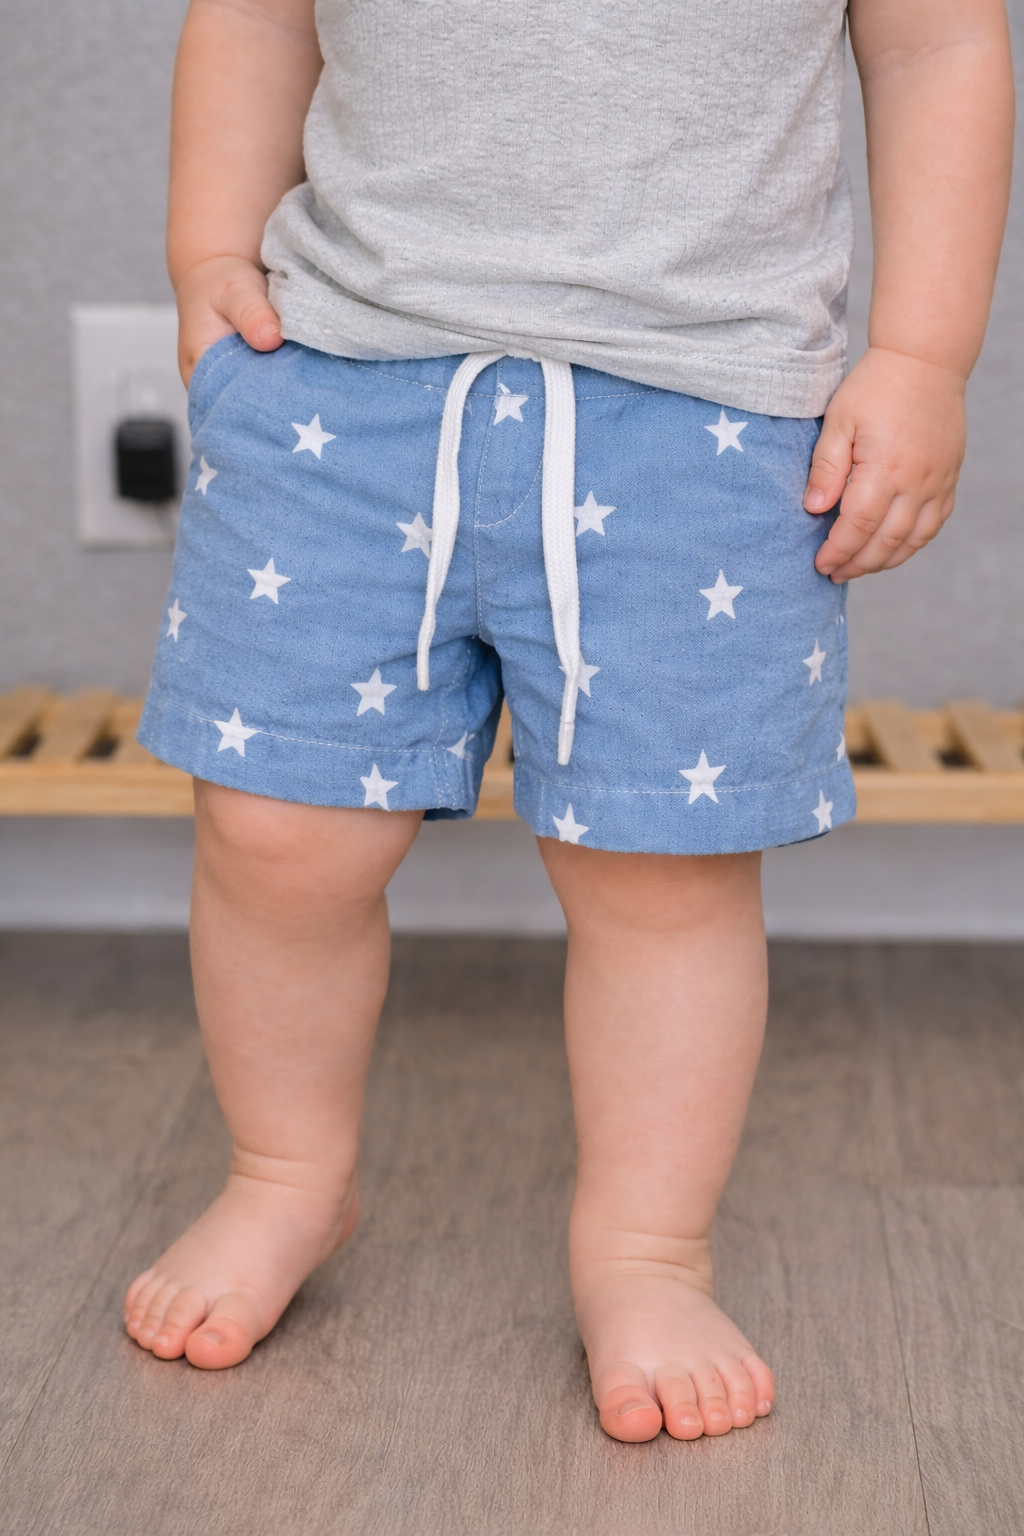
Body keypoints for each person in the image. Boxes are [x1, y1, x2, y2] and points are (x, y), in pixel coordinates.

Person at [126, 0, 1013, 1442]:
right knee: (275, 827)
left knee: (660, 869)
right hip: (342, 379)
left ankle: (649, 1251)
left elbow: (938, 47)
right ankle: (283, 1172)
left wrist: (924, 354)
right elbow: (254, 12)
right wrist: (207, 249)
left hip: (701, 409)